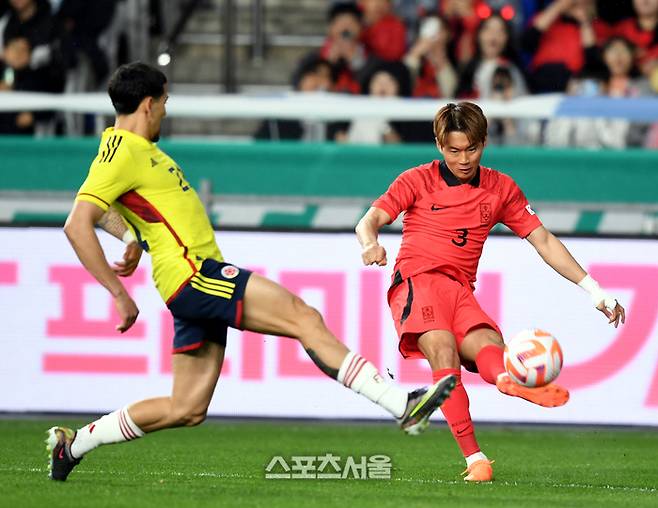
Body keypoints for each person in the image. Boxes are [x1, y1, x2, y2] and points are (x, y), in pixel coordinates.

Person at [45, 62, 457, 482]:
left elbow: (109, 208)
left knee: (186, 409)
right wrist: (118, 292)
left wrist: (132, 238)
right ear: (148, 104)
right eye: (165, 102)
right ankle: (400, 405)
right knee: (304, 317)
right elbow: (78, 221)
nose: (166, 112)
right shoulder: (125, 151)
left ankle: (74, 445)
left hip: (186, 283)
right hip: (195, 274)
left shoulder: (129, 152)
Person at [355, 101, 626, 482]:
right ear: (439, 146)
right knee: (444, 351)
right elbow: (369, 221)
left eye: (471, 148)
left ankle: (506, 381)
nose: (463, 159)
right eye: (453, 150)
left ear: (484, 143)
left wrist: (595, 291)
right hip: (417, 282)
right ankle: (475, 459)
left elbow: (543, 240)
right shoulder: (416, 180)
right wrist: (370, 243)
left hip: (460, 290)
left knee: (489, 345)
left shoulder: (500, 188)